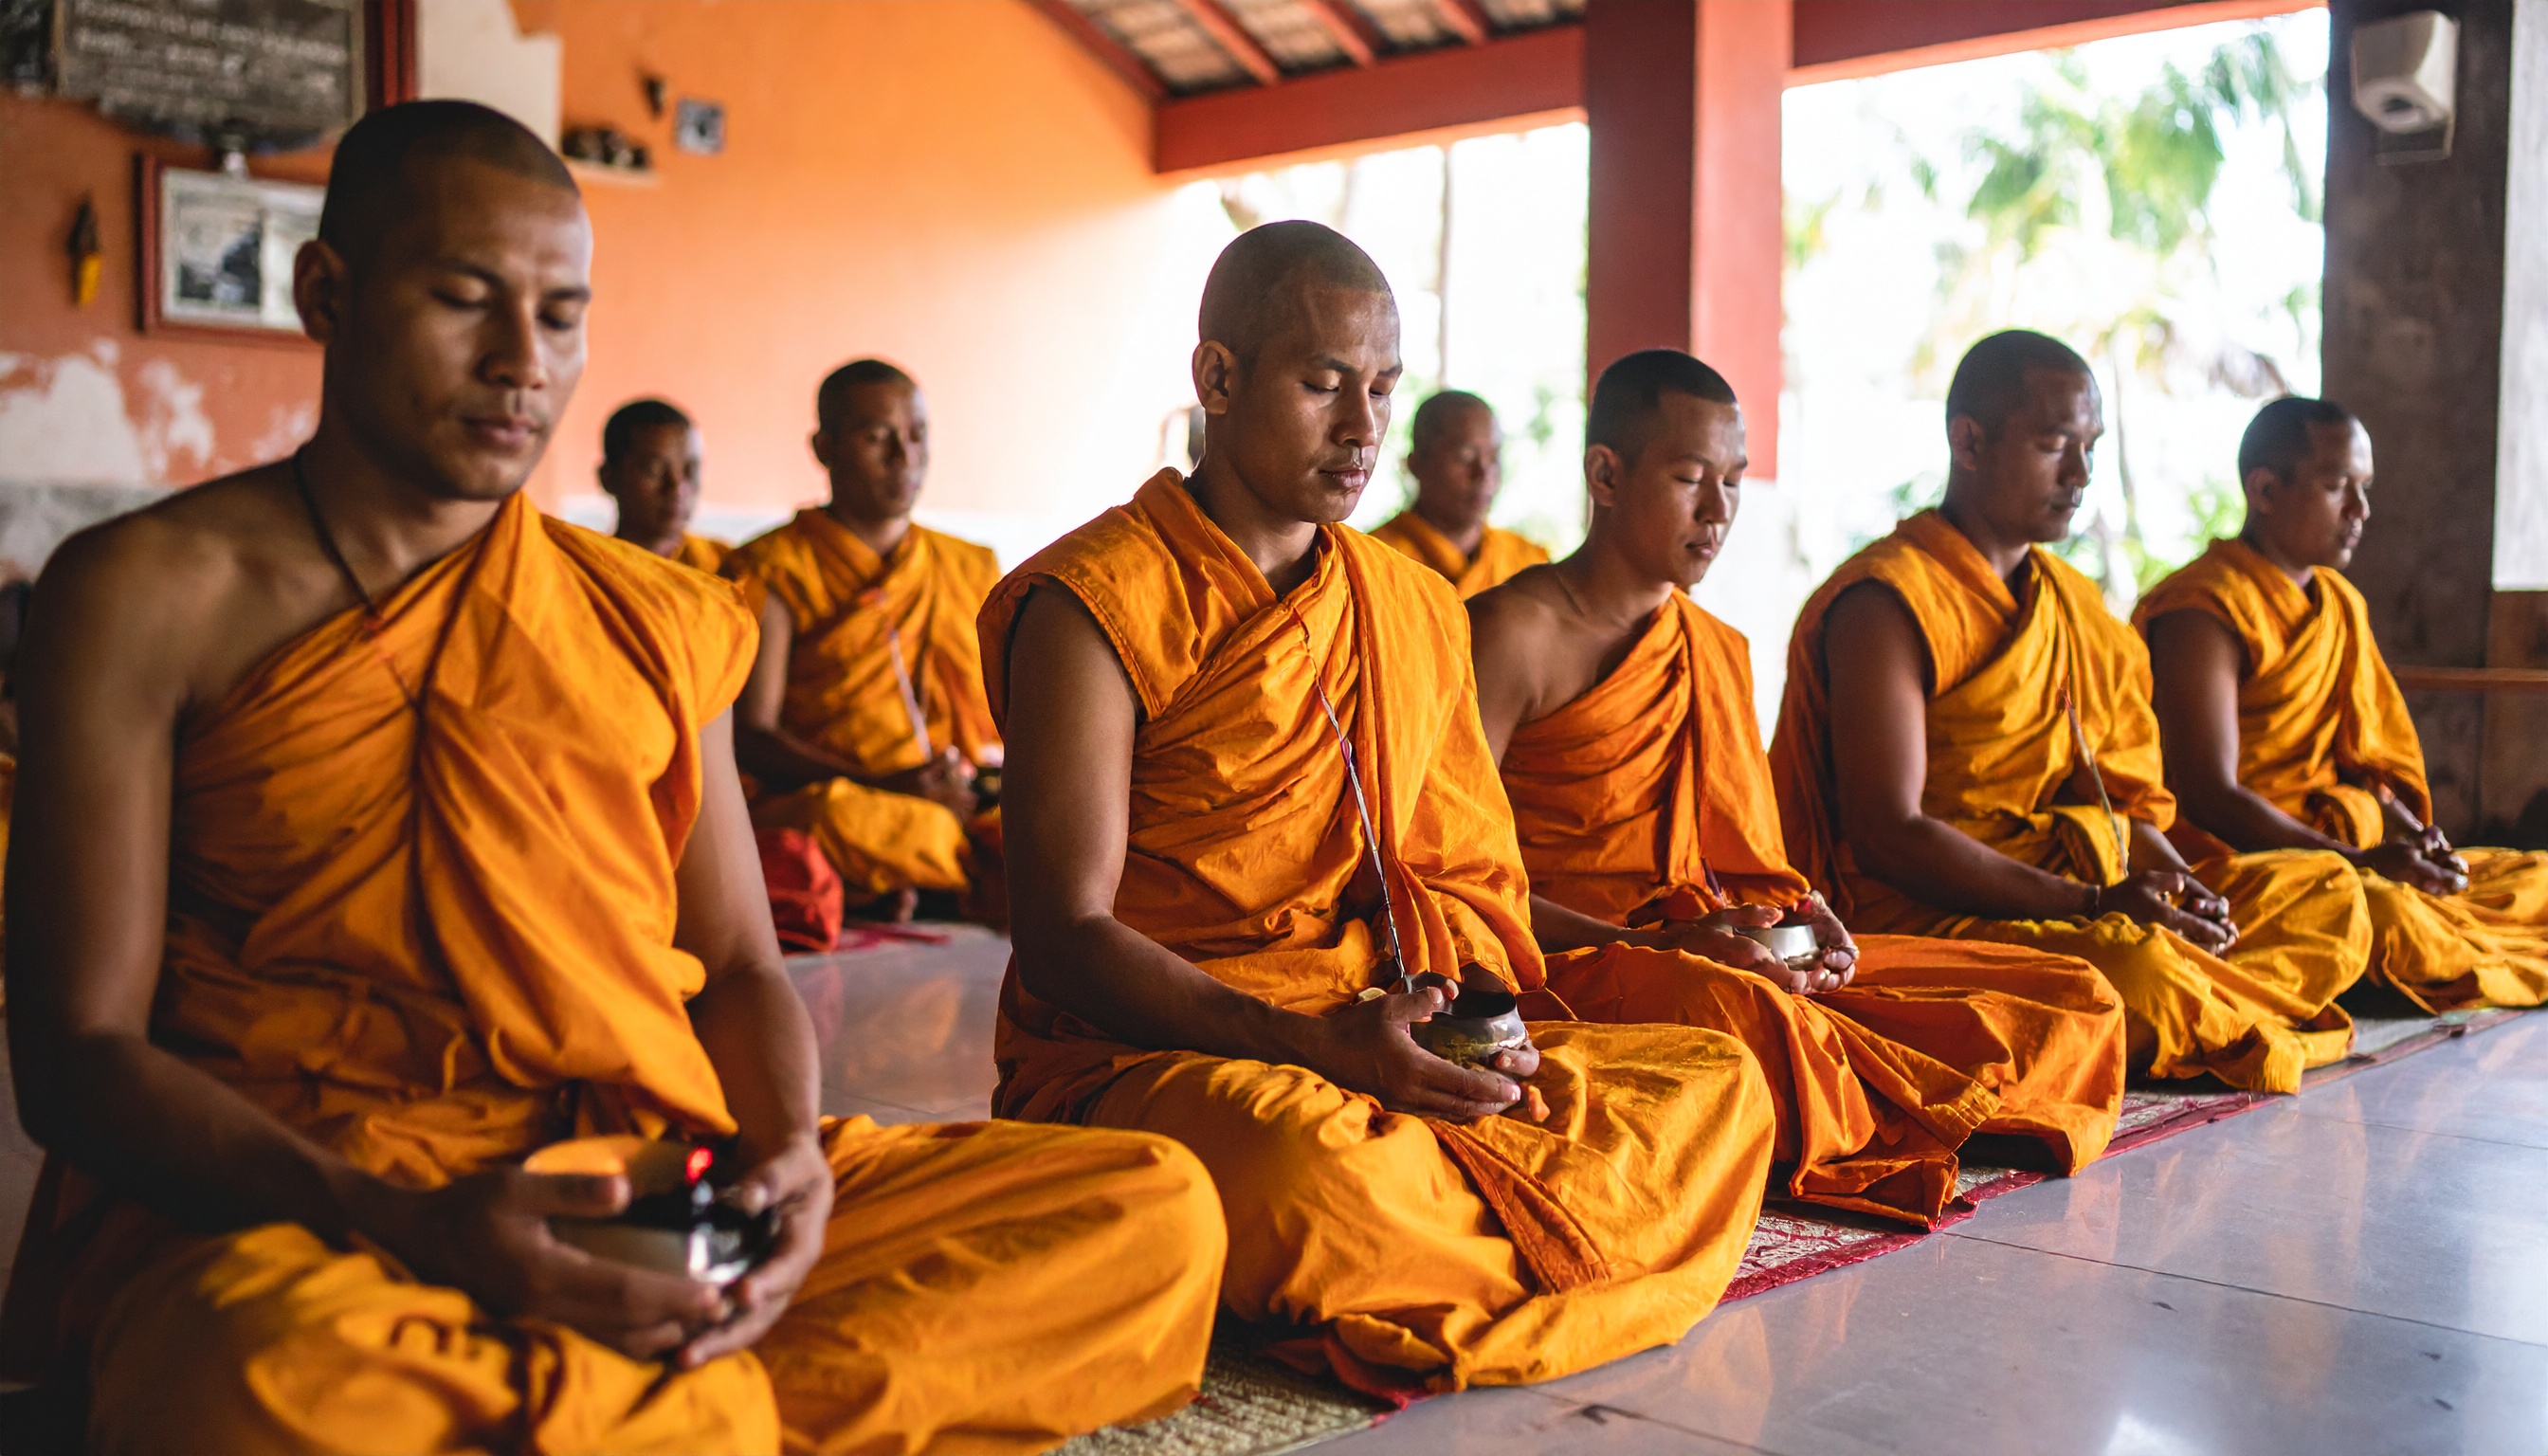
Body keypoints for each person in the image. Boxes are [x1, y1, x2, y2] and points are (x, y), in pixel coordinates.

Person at [0, 100, 1221, 1454]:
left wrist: (792, 1170)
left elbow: (748, 971)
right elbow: (77, 1061)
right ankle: (704, 1412)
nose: (524, 360)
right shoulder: (139, 596)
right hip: (323, 1204)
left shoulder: (644, 615)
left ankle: (647, 1405)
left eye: (563, 315)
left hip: (641, 1173)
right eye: (467, 300)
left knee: (1152, 1208)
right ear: (324, 293)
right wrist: (405, 1221)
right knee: (260, 1379)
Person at [982, 222, 1776, 1396]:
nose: (1365, 431)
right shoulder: (1097, 603)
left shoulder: (1408, 607)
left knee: (1718, 1082)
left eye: (1383, 390)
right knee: (1307, 1171)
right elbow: (1064, 933)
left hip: (1378, 1023)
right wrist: (1309, 1045)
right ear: (1217, 379)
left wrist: (1458, 1013)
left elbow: (1466, 882)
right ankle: (1475, 1236)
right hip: (1165, 1052)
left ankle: (1440, 1239)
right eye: (1323, 385)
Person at [1470, 349, 2124, 1226]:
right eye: (1691, 478)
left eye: (1735, 482)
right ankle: (1871, 1099)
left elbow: (1746, 861)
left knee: (2074, 996)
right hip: (1575, 962)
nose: (1718, 512)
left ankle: (1865, 1096)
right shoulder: (1511, 634)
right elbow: (1458, 883)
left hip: (1712, 949)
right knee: (1753, 1025)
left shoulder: (1709, 646)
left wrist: (1801, 916)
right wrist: (1670, 952)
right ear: (1606, 474)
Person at [1769, 331, 2375, 1095]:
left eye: (2091, 446)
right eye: (2056, 444)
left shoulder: (2073, 605)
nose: (2082, 473)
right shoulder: (1887, 602)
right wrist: (2093, 904)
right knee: (2138, 974)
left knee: (2327, 895)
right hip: (1933, 916)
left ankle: (2199, 990)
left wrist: (2192, 898)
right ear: (1970, 442)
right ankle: (2186, 1001)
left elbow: (2119, 805)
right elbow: (1891, 834)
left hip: (2086, 886)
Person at [2135, 397, 2547, 1011]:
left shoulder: (2338, 604)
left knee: (2531, 876)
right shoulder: (2203, 609)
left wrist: (2416, 842)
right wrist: (2359, 861)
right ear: (2267, 489)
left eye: (2365, 488)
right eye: (2337, 487)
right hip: (2254, 865)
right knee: (2373, 911)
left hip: (2347, 847)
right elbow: (2209, 794)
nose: (2360, 511)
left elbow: (2360, 766)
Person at [720, 360, 1004, 921]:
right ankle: (959, 879)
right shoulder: (771, 568)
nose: (905, 457)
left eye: (917, 435)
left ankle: (895, 884)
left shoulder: (967, 565)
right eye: (877, 437)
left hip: (956, 794)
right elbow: (751, 735)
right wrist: (884, 782)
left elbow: (1006, 718)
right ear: (824, 447)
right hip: (841, 792)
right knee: (832, 820)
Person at [1368, 390, 1548, 596]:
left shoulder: (1527, 563)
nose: (1483, 474)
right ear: (1416, 464)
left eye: (1494, 458)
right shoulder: (1374, 561)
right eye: (1465, 457)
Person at [595, 396, 730, 573]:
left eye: (690, 471)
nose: (676, 488)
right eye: (654, 470)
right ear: (609, 478)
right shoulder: (591, 571)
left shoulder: (726, 568)